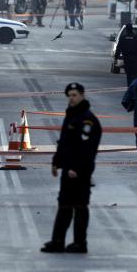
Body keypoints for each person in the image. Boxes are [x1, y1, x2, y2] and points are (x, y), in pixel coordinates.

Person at [41, 83, 102, 254]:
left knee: (80, 206)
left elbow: (86, 148)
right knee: (65, 205)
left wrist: (76, 168)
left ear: (82, 95)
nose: (71, 98)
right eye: (69, 95)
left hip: (80, 171)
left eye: (74, 95)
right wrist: (56, 162)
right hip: (68, 169)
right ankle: (58, 241)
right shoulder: (72, 114)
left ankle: (80, 243)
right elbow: (65, 142)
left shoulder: (87, 119)